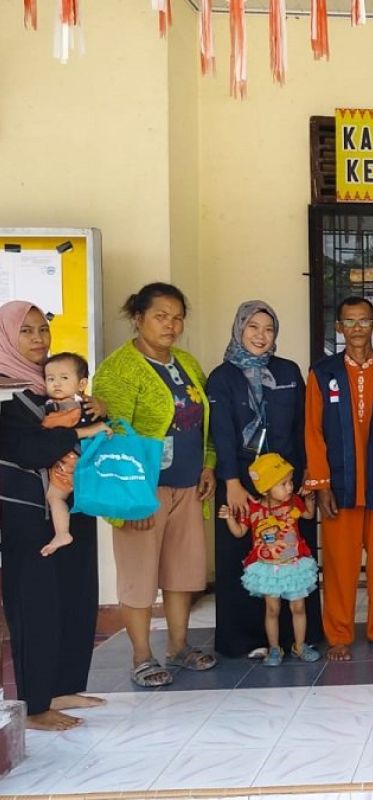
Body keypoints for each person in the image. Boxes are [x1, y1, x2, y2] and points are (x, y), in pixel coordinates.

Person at [93, 282, 218, 688]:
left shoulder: (185, 362)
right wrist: (129, 503)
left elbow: (204, 421)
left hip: (187, 484)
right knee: (139, 577)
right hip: (143, 492)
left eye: (177, 316)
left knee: (182, 572)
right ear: (138, 318)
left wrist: (208, 465)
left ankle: (179, 646)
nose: (171, 324)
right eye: (161, 316)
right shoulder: (120, 368)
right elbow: (112, 436)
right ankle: (142, 656)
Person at [0, 301, 106, 730]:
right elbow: (31, 450)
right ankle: (35, 704)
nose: (37, 339)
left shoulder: (54, 390)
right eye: (25, 331)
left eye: (42, 330)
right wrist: (79, 426)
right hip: (27, 516)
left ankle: (62, 685)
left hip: (71, 508)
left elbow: (97, 432)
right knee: (36, 606)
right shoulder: (6, 396)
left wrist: (93, 407)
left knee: (75, 599)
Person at [304, 296, 373, 662]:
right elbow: (313, 432)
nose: (356, 328)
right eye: (349, 321)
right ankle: (338, 633)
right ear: (339, 327)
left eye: (363, 321)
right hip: (341, 486)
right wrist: (320, 485)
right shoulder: (322, 373)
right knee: (339, 564)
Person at [209, 300, 321, 659]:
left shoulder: (288, 372)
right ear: (239, 328)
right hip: (241, 479)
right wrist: (231, 482)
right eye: (253, 327)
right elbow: (222, 432)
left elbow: (304, 425)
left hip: (287, 480)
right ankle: (247, 639)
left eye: (268, 328)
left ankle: (299, 637)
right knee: (243, 555)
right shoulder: (222, 377)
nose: (261, 335)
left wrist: (306, 472)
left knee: (292, 552)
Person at [219, 452, 320, 666]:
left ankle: (300, 646)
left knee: (298, 607)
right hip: (268, 569)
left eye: (290, 482)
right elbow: (239, 532)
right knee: (272, 609)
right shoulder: (254, 509)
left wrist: (310, 502)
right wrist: (229, 518)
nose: (290, 487)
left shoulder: (293, 503)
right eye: (283, 484)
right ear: (265, 488)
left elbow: (308, 516)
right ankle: (274, 648)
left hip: (293, 565)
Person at [40, 352, 112, 557]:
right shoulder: (89, 405)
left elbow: (51, 427)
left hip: (69, 463)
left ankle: (62, 533)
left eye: (64, 378)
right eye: (50, 378)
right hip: (87, 463)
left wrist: (42, 421)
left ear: (81, 384)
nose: (56, 384)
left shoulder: (66, 407)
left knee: (54, 497)